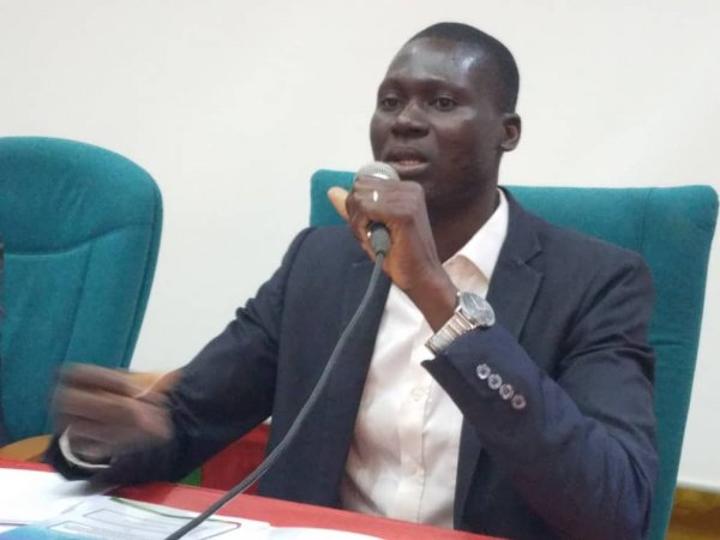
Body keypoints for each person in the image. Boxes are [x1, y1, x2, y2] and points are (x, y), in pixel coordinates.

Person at [48, 22, 657, 540]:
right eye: (390, 101)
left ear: (508, 131)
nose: (406, 121)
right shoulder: (319, 262)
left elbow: (615, 508)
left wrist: (436, 294)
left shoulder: (598, 282)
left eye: (442, 102)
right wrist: (105, 440)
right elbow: (187, 418)